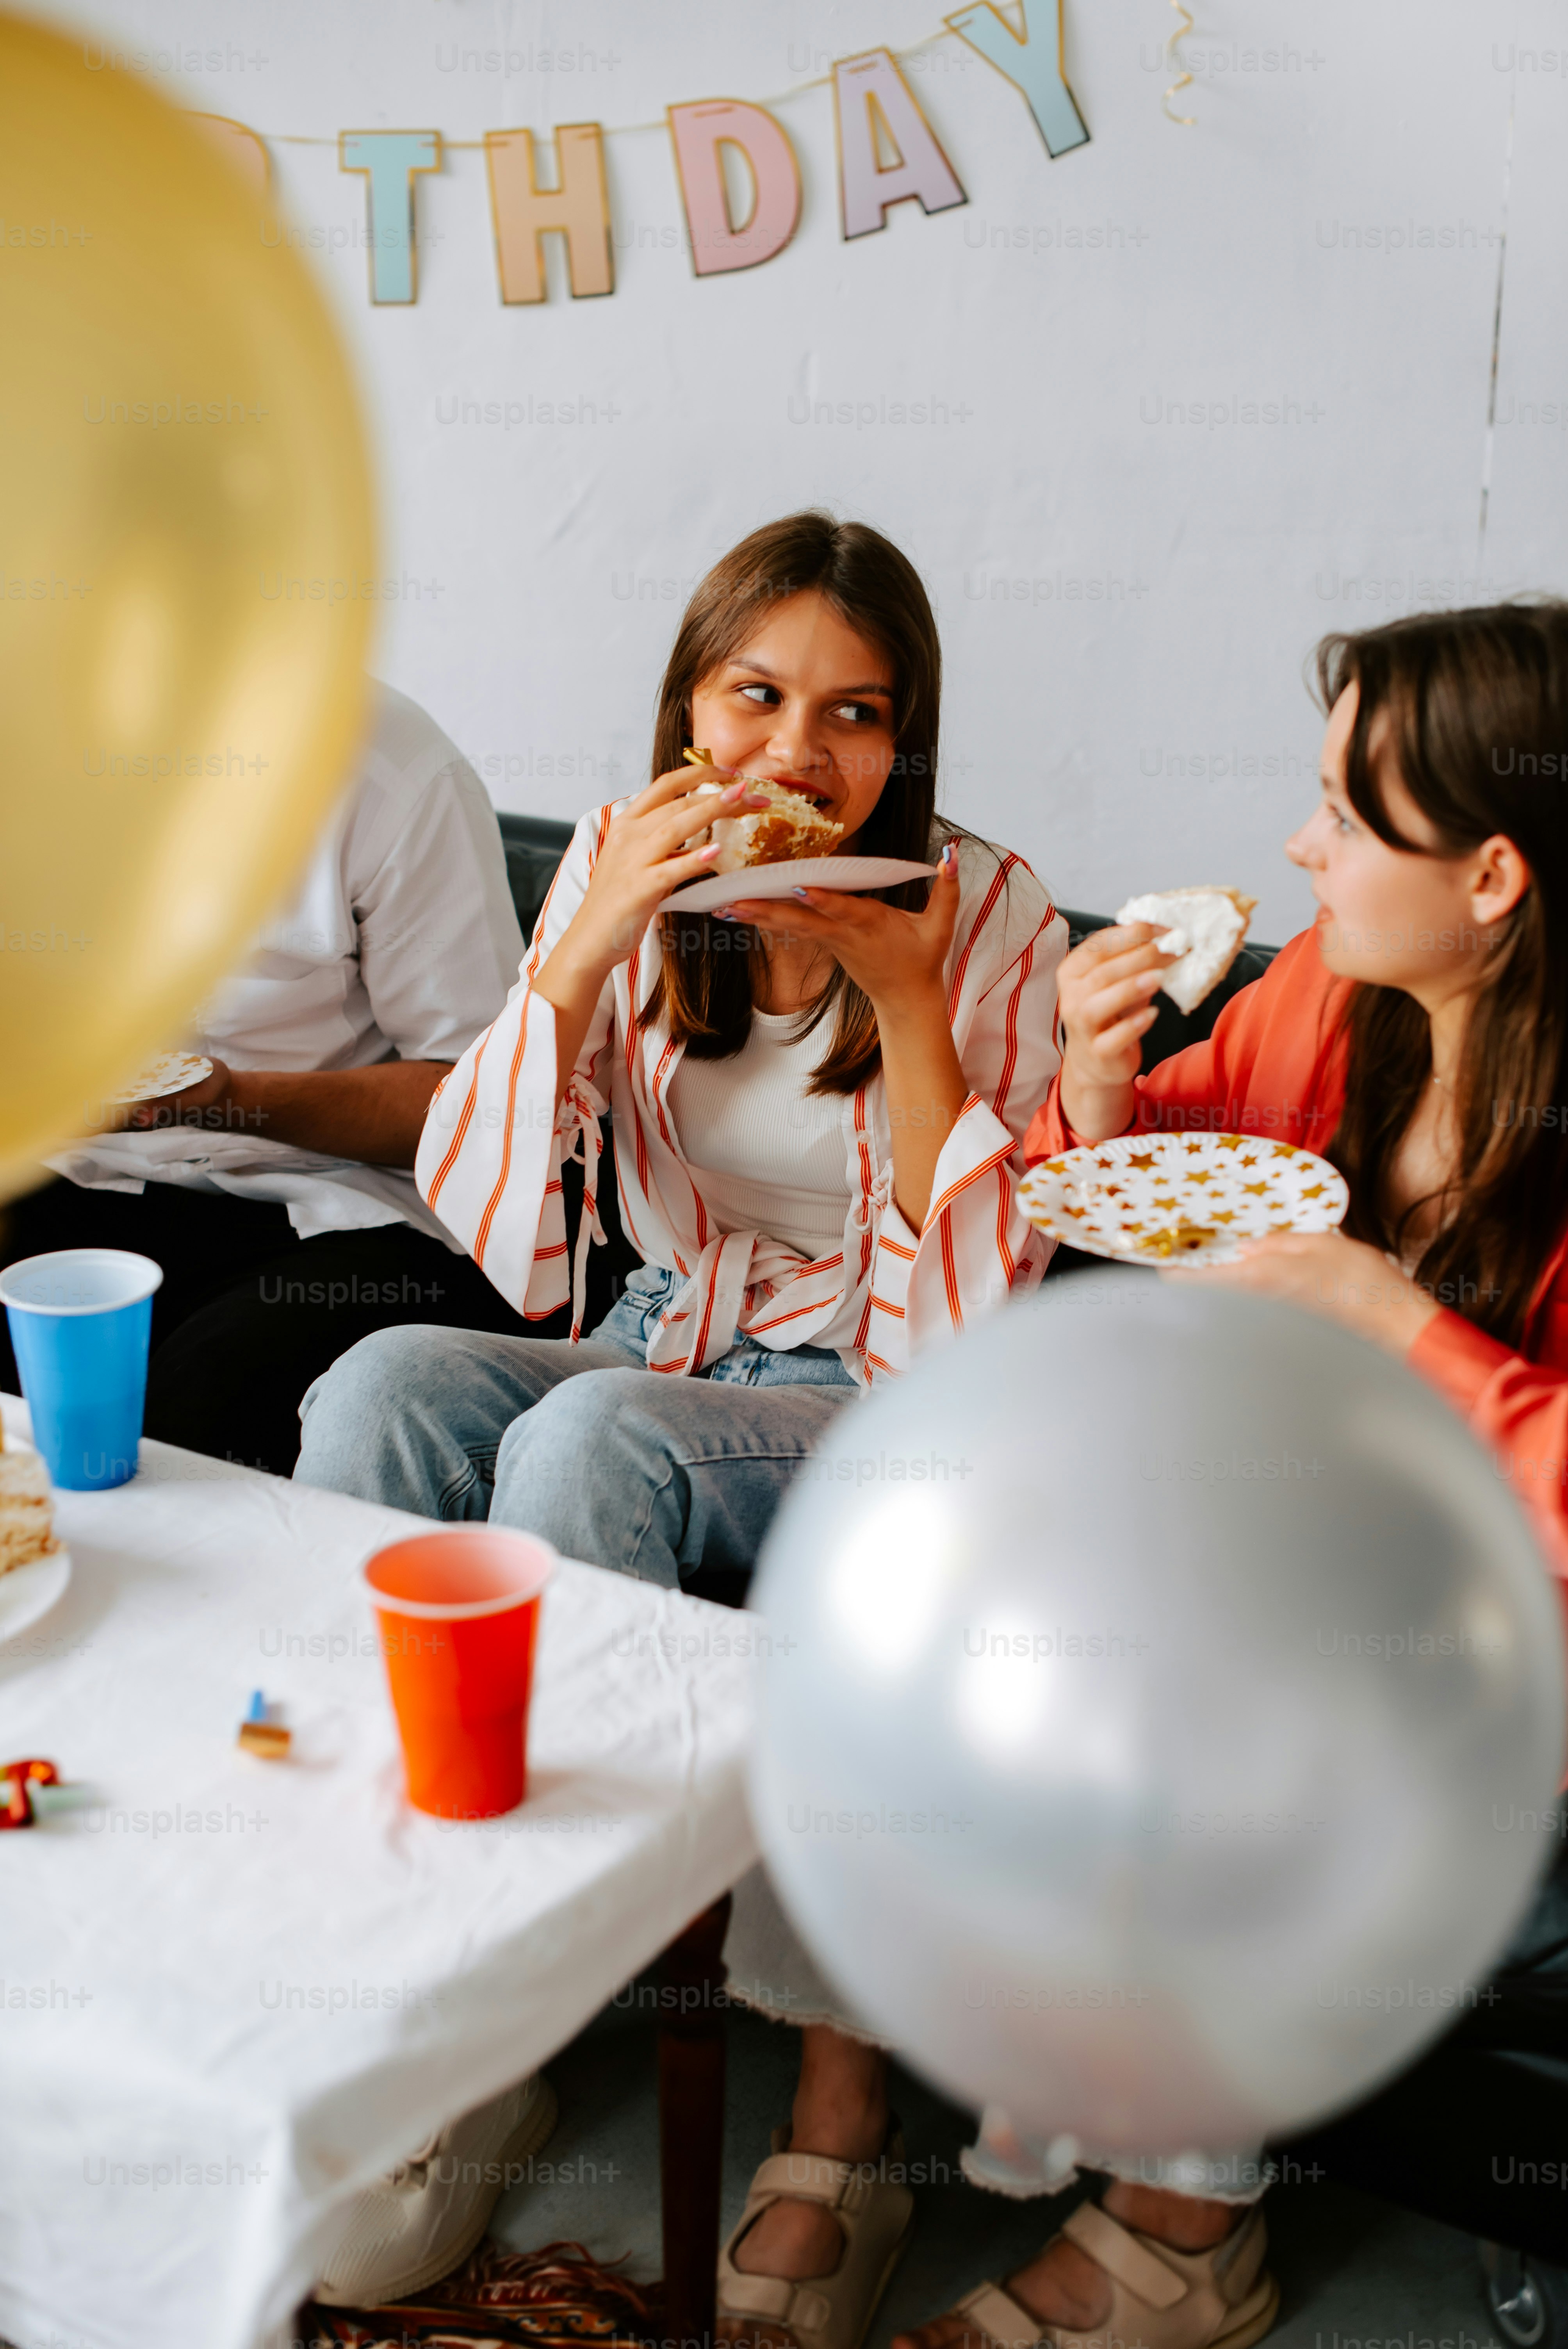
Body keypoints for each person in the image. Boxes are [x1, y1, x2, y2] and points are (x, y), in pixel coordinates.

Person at [293, 512, 1066, 2308]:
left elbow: (962, 1334)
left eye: (855, 714)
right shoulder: (624, 870)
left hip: (878, 1395)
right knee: (380, 1380)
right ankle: (436, 1963)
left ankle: (653, 2018)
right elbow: (496, 1240)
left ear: (904, 741)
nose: (800, 756)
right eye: (757, 695)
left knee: (588, 1440)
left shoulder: (984, 910)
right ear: (687, 707)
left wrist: (909, 1002)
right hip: (662, 1333)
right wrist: (583, 951)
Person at [848, 600, 1568, 2349]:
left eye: (1341, 811)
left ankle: (1172, 2231)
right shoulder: (1328, 990)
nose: (1293, 843)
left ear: (1492, 875)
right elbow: (1115, 1175)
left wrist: (1394, 1323)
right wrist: (1095, 1082)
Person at [0, 681, 527, 1475]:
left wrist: (231, 1102)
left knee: (194, 1419)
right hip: (77, 1173)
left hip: (333, 1208)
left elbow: (482, 1108)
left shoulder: (391, 770)